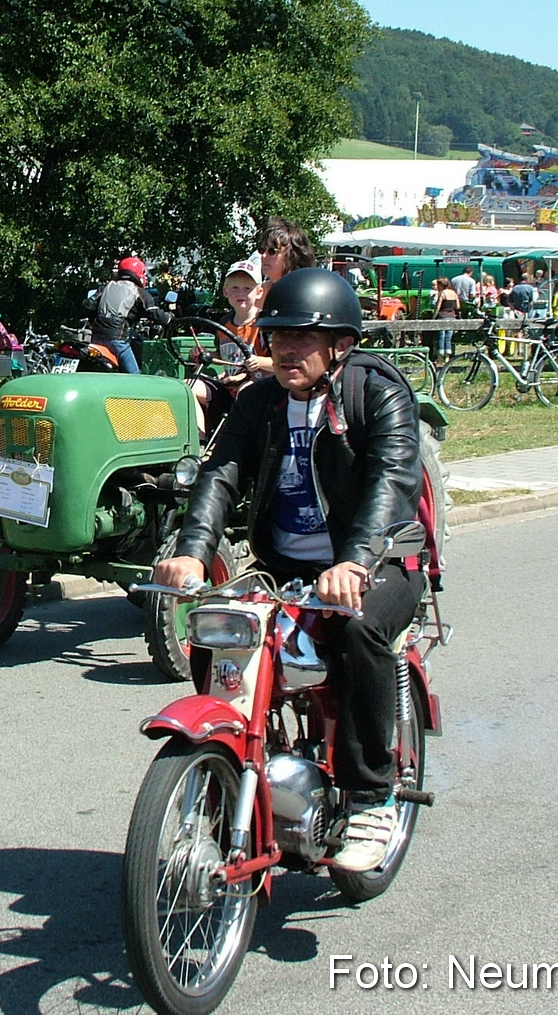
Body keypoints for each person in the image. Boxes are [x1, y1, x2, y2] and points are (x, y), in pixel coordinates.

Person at [153, 268, 424, 873]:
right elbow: (220, 474)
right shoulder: (260, 401)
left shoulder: (377, 393)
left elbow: (391, 480)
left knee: (358, 630)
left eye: (302, 337)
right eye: (277, 337)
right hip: (285, 568)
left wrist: (356, 561)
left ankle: (371, 797)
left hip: (383, 561)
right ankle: (234, 760)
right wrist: (193, 549)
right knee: (218, 627)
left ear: (340, 345)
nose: (285, 350)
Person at [192, 259, 273, 432]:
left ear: (259, 292)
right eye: (235, 288)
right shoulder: (224, 324)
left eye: (247, 288)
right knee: (188, 387)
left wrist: (259, 361)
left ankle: (239, 440)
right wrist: (205, 354)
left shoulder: (265, 324)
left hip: (257, 386)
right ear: (225, 292)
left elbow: (278, 363)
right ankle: (201, 440)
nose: (240, 293)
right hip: (228, 386)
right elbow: (224, 356)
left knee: (245, 392)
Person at [91, 256, 170, 373]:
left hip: (96, 338)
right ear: (139, 273)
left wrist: (92, 320)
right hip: (117, 339)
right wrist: (169, 318)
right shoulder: (138, 292)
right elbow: (154, 313)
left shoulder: (107, 286)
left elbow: (89, 304)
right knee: (134, 377)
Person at [431, 276, 460, 360]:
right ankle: (447, 356)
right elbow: (458, 306)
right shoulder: (454, 293)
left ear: (441, 285)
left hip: (442, 316)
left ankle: (440, 355)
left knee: (441, 337)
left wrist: (433, 317)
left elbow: (438, 307)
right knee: (448, 337)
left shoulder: (442, 293)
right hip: (452, 317)